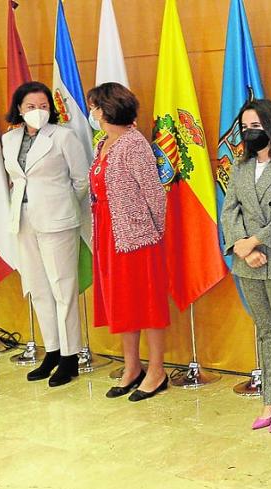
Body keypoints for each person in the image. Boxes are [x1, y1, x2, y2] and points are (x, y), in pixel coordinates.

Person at [220, 99, 271, 433]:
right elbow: (229, 211)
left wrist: (257, 242)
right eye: (244, 127)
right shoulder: (240, 168)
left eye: (255, 127)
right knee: (265, 331)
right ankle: (268, 398)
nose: (249, 133)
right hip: (248, 264)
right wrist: (241, 247)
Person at [85, 82, 171, 403]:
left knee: (146, 304)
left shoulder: (134, 144)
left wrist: (153, 234)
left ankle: (157, 370)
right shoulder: (102, 142)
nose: (91, 112)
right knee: (123, 302)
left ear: (107, 108)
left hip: (139, 238)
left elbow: (154, 195)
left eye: (94, 106)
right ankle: (131, 367)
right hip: (109, 234)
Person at [1, 81, 89, 387]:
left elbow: (81, 180)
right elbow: (15, 178)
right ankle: (51, 350)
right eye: (30, 106)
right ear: (19, 109)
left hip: (58, 220)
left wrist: (60, 205)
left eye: (43, 106)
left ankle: (70, 357)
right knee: (37, 287)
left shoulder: (63, 136)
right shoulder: (9, 139)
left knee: (62, 288)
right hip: (23, 220)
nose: (37, 112)